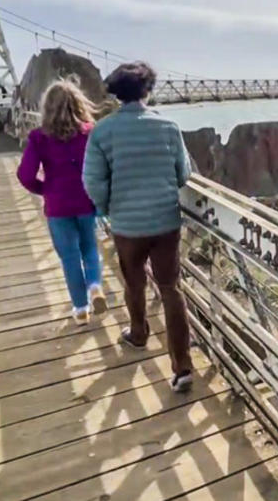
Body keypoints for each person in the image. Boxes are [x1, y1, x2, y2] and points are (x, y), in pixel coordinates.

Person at [83, 61, 194, 393]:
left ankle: (139, 332)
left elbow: (92, 181)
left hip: (127, 225)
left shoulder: (102, 131)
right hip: (165, 222)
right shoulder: (168, 126)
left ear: (117, 94)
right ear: (148, 90)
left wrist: (108, 208)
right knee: (171, 288)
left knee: (134, 282)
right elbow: (183, 175)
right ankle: (183, 366)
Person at [17, 80, 105, 324]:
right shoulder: (90, 133)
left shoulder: (38, 138)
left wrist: (44, 189)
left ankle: (80, 310)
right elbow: (102, 167)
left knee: (69, 257)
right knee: (90, 249)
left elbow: (25, 175)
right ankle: (95, 286)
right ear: (79, 105)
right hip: (86, 201)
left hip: (58, 206)